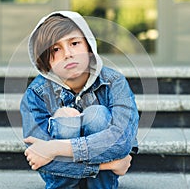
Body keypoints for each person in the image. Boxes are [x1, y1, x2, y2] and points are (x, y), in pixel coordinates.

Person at [20, 11, 139, 189]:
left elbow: (121, 141)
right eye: (55, 49)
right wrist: (108, 164)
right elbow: (39, 159)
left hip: (103, 183)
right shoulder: (36, 94)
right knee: (66, 117)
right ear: (45, 60)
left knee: (97, 114)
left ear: (89, 46)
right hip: (61, 182)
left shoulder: (114, 82)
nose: (68, 54)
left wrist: (55, 148)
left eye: (75, 43)